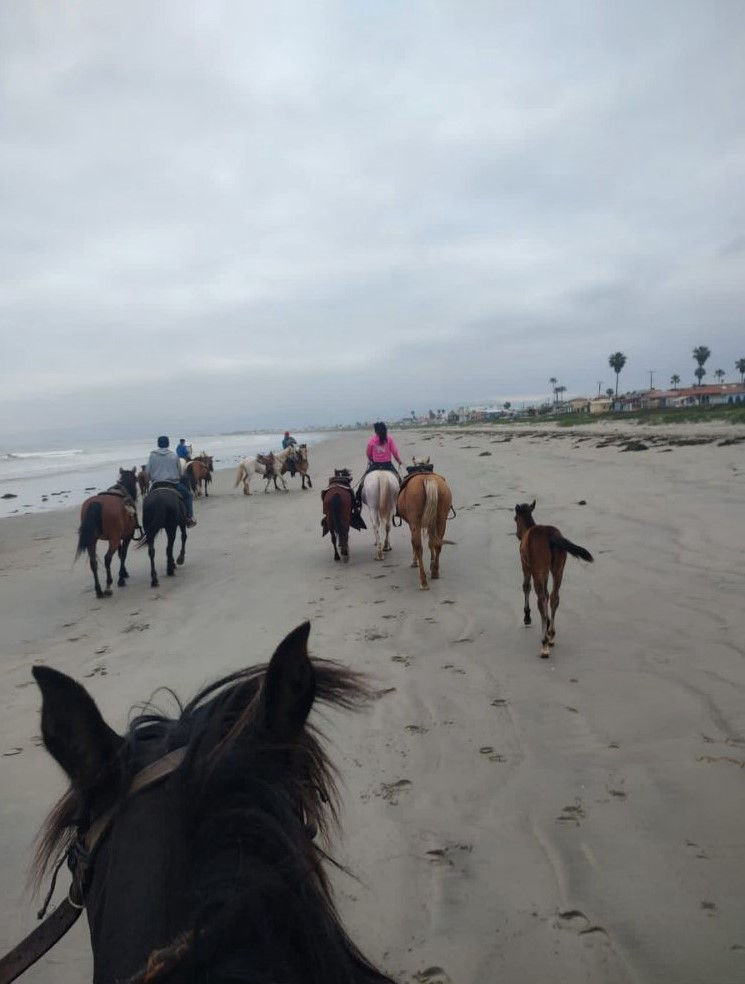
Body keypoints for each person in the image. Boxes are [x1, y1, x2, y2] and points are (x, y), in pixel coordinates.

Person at [147, 436, 197, 527]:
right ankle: (189, 518)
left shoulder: (152, 455)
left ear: (158, 444)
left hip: (156, 484)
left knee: (147, 500)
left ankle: (147, 523)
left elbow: (148, 472)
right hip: (172, 484)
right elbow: (179, 472)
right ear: (168, 444)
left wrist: (153, 478)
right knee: (188, 496)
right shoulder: (174, 456)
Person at [355, 421, 402, 508]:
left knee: (362, 482)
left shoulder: (372, 440)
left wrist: (371, 459)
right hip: (388, 465)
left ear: (376, 431)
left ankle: (357, 499)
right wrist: (399, 461)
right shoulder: (389, 439)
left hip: (375, 465)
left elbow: (368, 453)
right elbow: (395, 452)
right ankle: (402, 499)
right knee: (400, 481)